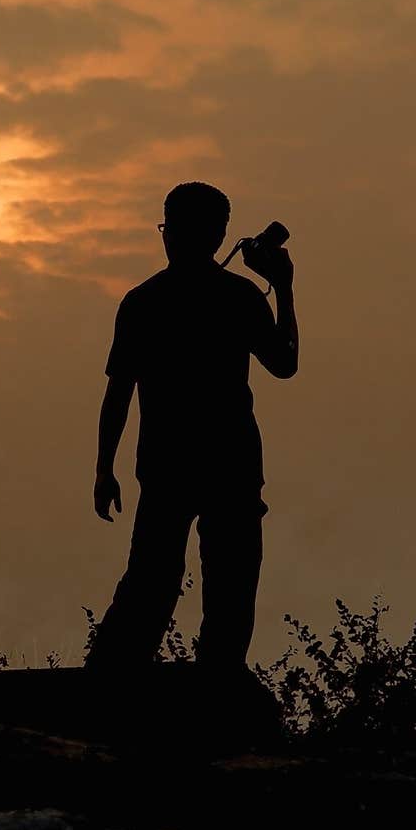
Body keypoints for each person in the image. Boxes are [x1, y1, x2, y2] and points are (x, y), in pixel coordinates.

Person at [86, 181, 298, 674]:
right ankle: (215, 683)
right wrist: (284, 287)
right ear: (220, 234)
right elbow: (285, 363)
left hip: (168, 463)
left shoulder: (143, 302)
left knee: (152, 582)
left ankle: (112, 682)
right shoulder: (238, 296)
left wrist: (104, 468)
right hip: (229, 463)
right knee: (229, 582)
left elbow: (119, 393)